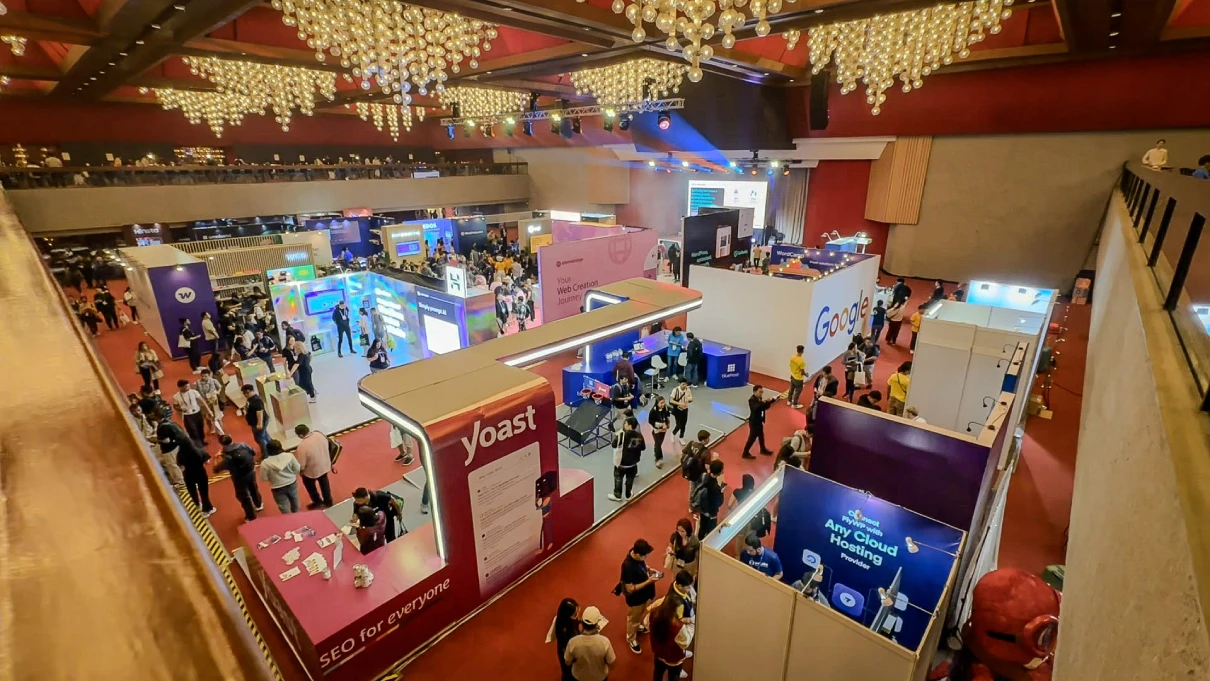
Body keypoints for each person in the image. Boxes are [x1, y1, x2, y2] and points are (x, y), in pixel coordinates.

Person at [150, 410, 214, 516]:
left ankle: (198, 505)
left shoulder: (182, 452)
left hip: (189, 473)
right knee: (203, 490)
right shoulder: (192, 447)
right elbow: (204, 457)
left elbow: (180, 463)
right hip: (198, 471)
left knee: (192, 489)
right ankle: (207, 508)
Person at [649, 572, 695, 681]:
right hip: (673, 655)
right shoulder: (676, 626)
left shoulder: (655, 613)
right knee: (674, 675)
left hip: (658, 650)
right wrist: (691, 623)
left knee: (658, 671)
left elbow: (647, 623)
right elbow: (685, 641)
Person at [620, 539, 662, 654]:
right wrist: (649, 581)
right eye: (645, 557)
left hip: (644, 595)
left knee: (640, 613)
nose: (645, 559)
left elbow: (641, 564)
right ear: (638, 554)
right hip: (635, 599)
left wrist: (648, 569)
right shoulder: (627, 567)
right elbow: (630, 588)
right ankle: (631, 638)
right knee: (633, 618)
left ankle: (637, 627)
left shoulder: (635, 555)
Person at [214, 435, 263, 522]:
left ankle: (251, 516)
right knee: (253, 487)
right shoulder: (243, 445)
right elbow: (253, 452)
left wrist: (216, 458)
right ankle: (259, 504)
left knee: (243, 496)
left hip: (239, 477)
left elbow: (216, 469)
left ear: (222, 444)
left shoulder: (227, 456)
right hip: (251, 471)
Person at [564, 606, 616, 681]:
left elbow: (567, 662)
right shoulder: (605, 642)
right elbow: (612, 664)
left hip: (579, 677)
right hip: (599, 677)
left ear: (581, 622)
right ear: (597, 625)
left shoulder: (573, 642)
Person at [294, 424, 334, 508]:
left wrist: (301, 472)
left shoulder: (302, 446)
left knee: (310, 486)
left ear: (300, 435)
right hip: (325, 464)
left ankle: (317, 501)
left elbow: (301, 464)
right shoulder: (319, 434)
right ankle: (328, 501)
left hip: (311, 471)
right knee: (324, 484)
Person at [259, 439, 301, 513]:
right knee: (295, 500)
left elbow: (263, 478)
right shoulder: (289, 456)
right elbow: (297, 469)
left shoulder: (265, 463)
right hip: (291, 482)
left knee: (283, 506)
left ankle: (288, 520)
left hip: (277, 487)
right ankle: (296, 515)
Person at [609, 417, 646, 502]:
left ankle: (617, 495)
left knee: (618, 478)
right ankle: (628, 494)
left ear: (629, 425)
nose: (624, 425)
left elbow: (614, 445)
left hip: (621, 463)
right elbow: (643, 448)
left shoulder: (621, 435)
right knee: (630, 479)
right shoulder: (639, 436)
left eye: (625, 423)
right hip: (633, 463)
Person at [742, 385, 777, 459]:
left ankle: (763, 449)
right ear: (754, 392)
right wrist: (764, 402)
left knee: (761, 436)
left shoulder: (759, 399)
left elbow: (764, 407)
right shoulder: (751, 400)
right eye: (760, 392)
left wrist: (770, 402)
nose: (761, 394)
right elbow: (756, 408)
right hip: (754, 422)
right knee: (752, 438)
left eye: (762, 392)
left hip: (759, 421)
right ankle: (745, 453)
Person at [173, 378, 210, 447]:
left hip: (197, 412)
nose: (189, 387)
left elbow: (202, 401)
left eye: (188, 386)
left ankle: (202, 440)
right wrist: (181, 409)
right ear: (181, 387)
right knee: (192, 430)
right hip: (187, 415)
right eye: (186, 386)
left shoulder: (194, 392)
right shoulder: (176, 396)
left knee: (200, 427)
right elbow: (175, 406)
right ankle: (197, 444)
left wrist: (209, 411)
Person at [552, 598, 582, 681]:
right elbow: (567, 650)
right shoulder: (564, 631)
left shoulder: (566, 619)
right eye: (575, 613)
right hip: (568, 653)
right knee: (569, 673)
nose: (577, 614)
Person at [696, 459, 726, 539]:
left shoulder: (704, 476)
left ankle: (700, 539)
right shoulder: (716, 488)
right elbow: (719, 503)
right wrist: (722, 491)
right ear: (719, 472)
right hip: (711, 512)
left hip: (702, 507)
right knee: (711, 530)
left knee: (702, 526)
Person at [241, 384, 270, 458]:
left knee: (260, 439)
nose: (245, 395)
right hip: (256, 422)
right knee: (265, 436)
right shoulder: (250, 399)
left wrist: (259, 423)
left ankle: (266, 454)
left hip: (258, 423)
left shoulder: (256, 401)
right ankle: (272, 447)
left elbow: (259, 412)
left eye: (247, 393)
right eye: (244, 393)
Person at [196, 368, 225, 437]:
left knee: (217, 415)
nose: (204, 378)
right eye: (202, 376)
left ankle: (221, 429)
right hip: (204, 401)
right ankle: (211, 428)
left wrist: (217, 392)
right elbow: (196, 392)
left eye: (206, 376)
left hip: (213, 400)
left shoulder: (213, 380)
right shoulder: (198, 382)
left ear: (209, 375)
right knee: (207, 416)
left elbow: (220, 387)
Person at [648, 396, 671, 469]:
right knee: (658, 444)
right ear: (657, 403)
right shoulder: (653, 411)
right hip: (656, 430)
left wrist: (667, 424)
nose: (663, 404)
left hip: (664, 429)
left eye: (664, 402)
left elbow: (667, 416)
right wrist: (659, 425)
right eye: (661, 403)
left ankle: (656, 452)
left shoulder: (665, 408)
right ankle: (659, 459)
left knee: (659, 443)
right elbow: (650, 421)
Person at [668, 380, 692, 444]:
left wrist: (689, 399)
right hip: (677, 410)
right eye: (683, 384)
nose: (684, 386)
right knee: (678, 425)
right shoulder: (675, 390)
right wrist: (679, 403)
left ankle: (681, 437)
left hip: (685, 409)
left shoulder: (688, 390)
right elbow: (671, 400)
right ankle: (673, 433)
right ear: (679, 384)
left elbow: (691, 397)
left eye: (685, 384)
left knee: (683, 425)